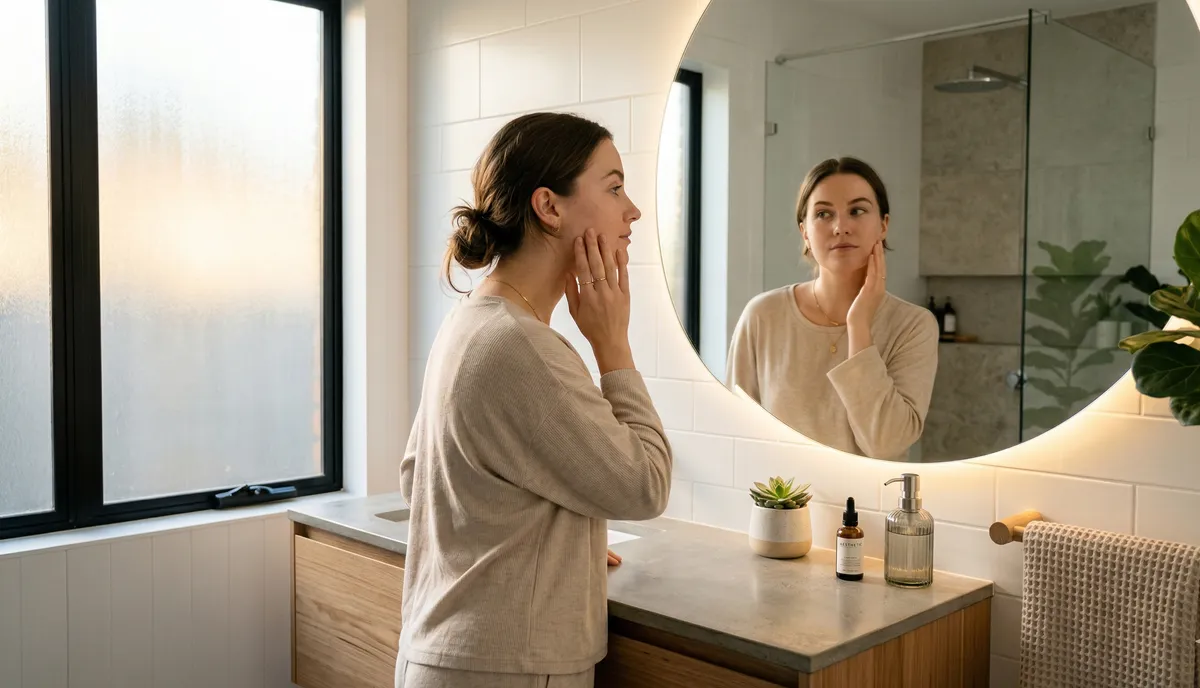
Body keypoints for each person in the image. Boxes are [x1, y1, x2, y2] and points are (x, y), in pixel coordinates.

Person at [396, 112, 673, 688]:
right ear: (549, 207)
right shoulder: (524, 346)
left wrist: (557, 546)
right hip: (506, 666)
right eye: (615, 187)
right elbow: (646, 485)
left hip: (451, 655)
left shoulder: (473, 321)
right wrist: (613, 346)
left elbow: (417, 475)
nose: (633, 211)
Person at [725, 157, 938, 460]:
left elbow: (886, 445)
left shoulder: (914, 326)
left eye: (858, 211)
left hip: (870, 505)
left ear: (883, 225)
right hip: (781, 507)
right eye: (824, 214)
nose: (840, 227)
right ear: (805, 232)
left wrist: (859, 326)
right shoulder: (763, 316)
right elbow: (737, 434)